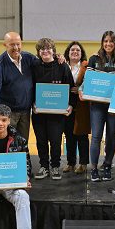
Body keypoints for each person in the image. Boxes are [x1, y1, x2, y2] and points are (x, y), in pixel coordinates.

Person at [79, 30, 115, 182]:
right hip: (97, 105)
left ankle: (107, 166)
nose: (108, 44)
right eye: (105, 41)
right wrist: (81, 90)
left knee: (111, 136)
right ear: (102, 43)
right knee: (96, 136)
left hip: (114, 105)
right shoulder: (94, 59)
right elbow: (87, 80)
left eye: (111, 41)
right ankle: (94, 169)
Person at [31, 38, 74, 180]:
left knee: (56, 141)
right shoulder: (34, 66)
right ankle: (44, 166)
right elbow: (30, 88)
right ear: (38, 52)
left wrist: (70, 105)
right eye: (42, 49)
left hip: (57, 114)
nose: (45, 51)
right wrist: (33, 104)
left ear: (53, 51)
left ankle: (55, 166)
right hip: (39, 113)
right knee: (41, 141)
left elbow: (71, 88)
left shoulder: (62, 66)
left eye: (48, 48)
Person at [0, 32, 38, 141]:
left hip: (25, 112)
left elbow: (45, 64)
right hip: (8, 114)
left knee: (22, 142)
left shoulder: (29, 58)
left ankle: (23, 158)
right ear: (5, 45)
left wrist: (57, 58)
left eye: (18, 44)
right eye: (12, 45)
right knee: (8, 143)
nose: (16, 48)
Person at [62, 41, 90, 175]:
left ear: (81, 53)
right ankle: (70, 163)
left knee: (82, 136)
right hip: (66, 106)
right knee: (69, 135)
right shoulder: (62, 66)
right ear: (68, 52)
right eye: (72, 50)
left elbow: (90, 84)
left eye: (78, 50)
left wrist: (80, 89)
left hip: (82, 106)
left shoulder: (86, 67)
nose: (75, 52)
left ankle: (83, 163)